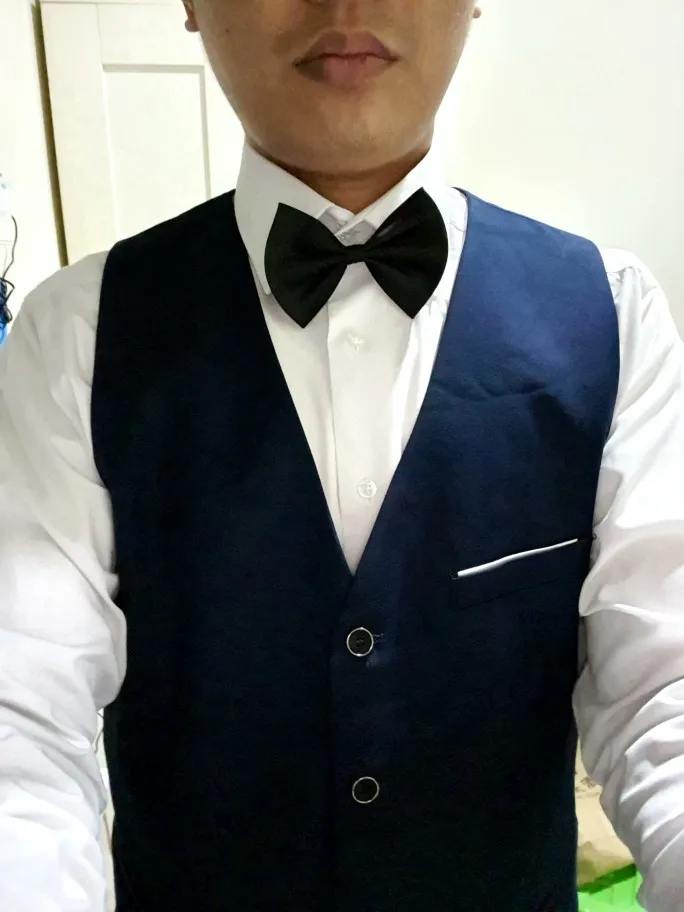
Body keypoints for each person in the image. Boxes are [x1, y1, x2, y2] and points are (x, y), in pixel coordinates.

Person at [0, 0, 683, 909]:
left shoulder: (614, 316)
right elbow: (19, 728)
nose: (346, 2)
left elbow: (666, 694)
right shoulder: (75, 338)